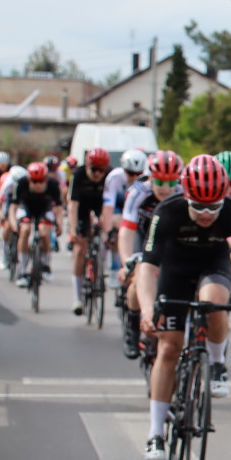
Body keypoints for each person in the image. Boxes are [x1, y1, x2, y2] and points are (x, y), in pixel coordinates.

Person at [138, 155, 231, 460]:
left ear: (224, 198)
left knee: (215, 301)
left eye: (213, 207)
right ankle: (155, 433)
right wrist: (148, 309)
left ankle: (216, 363)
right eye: (198, 206)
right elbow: (147, 267)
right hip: (173, 271)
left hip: (211, 266)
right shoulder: (167, 211)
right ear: (185, 194)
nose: (205, 213)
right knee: (168, 348)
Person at [118, 151, 183, 359]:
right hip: (143, 234)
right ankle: (132, 325)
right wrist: (126, 261)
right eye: (160, 182)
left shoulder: (183, 192)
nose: (166, 188)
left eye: (171, 182)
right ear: (151, 178)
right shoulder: (138, 191)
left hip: (168, 237)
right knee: (137, 275)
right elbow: (127, 229)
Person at [68, 147, 114, 315]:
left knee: (105, 235)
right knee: (80, 249)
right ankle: (77, 297)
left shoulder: (110, 176)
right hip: (82, 207)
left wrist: (106, 226)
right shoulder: (78, 175)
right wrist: (73, 230)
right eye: (94, 169)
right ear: (87, 166)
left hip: (102, 205)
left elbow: (110, 205)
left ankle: (101, 267)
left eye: (101, 170)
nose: (97, 174)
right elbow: (72, 206)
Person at [10, 162, 63, 287]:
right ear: (29, 180)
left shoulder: (53, 184)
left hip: (45, 208)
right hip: (26, 207)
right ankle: (23, 271)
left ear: (46, 179)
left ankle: (45, 264)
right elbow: (13, 207)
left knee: (45, 231)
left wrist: (59, 223)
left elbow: (60, 207)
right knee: (25, 230)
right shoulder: (21, 184)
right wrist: (13, 224)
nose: (38, 184)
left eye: (41, 181)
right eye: (34, 181)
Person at [104, 150, 149, 287]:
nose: (135, 177)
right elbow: (108, 207)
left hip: (138, 208)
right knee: (118, 226)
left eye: (138, 174)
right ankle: (115, 267)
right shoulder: (114, 177)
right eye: (131, 173)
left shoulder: (147, 179)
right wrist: (107, 232)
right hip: (119, 206)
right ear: (124, 169)